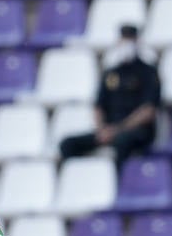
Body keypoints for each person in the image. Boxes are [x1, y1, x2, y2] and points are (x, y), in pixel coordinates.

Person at [58, 24, 161, 170]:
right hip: (108, 130)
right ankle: (78, 179)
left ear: (137, 41)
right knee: (68, 144)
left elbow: (148, 111)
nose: (126, 44)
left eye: (129, 39)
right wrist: (101, 130)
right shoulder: (111, 73)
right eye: (123, 39)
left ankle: (119, 183)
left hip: (136, 131)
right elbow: (98, 106)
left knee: (122, 142)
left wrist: (118, 129)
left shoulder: (148, 72)